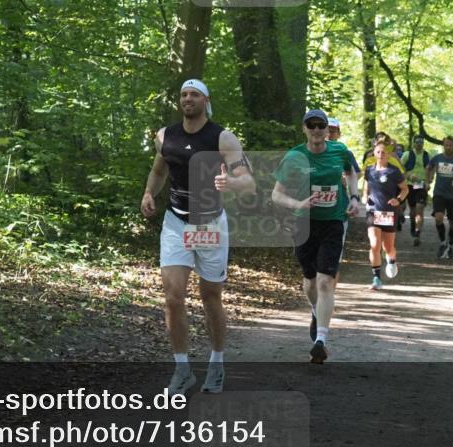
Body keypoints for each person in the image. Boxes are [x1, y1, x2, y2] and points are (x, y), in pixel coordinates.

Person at [141, 79, 255, 395]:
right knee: (173, 297)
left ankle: (216, 363)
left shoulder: (222, 138)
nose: (187, 99)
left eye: (194, 94)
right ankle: (182, 370)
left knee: (210, 296)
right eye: (183, 94)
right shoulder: (165, 136)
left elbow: (248, 181)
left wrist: (231, 184)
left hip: (209, 225)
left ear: (206, 100)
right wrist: (149, 193)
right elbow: (159, 171)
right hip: (176, 223)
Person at [272, 109, 359, 364]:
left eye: (321, 125)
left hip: (334, 221)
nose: (317, 130)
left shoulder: (339, 151)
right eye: (312, 125)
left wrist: (354, 197)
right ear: (304, 128)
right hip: (304, 224)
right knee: (310, 282)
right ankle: (315, 311)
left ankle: (320, 340)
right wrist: (298, 203)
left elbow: (352, 172)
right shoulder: (294, 156)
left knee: (324, 282)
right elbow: (276, 194)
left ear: (326, 129)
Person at [363, 135, 409, 289]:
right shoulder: (369, 170)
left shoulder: (393, 171)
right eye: (378, 152)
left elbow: (405, 189)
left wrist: (398, 199)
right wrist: (365, 197)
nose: (381, 155)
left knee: (388, 247)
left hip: (388, 212)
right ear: (374, 153)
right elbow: (367, 186)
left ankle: (392, 260)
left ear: (388, 154)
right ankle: (376, 278)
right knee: (374, 244)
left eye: (384, 152)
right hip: (373, 211)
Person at [426, 136, 453, 259]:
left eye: (450, 145)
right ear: (443, 145)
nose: (448, 147)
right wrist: (428, 181)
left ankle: (450, 245)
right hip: (439, 193)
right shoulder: (437, 158)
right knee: (438, 218)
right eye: (446, 145)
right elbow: (428, 168)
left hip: (452, 196)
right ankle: (442, 242)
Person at [401, 135, 431, 246]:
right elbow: (400, 167)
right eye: (417, 142)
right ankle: (413, 225)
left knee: (420, 208)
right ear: (413, 143)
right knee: (413, 210)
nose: (419, 144)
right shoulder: (407, 154)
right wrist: (408, 175)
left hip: (422, 185)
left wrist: (428, 181)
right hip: (409, 185)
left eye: (421, 142)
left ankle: (418, 232)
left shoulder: (427, 155)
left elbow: (431, 169)